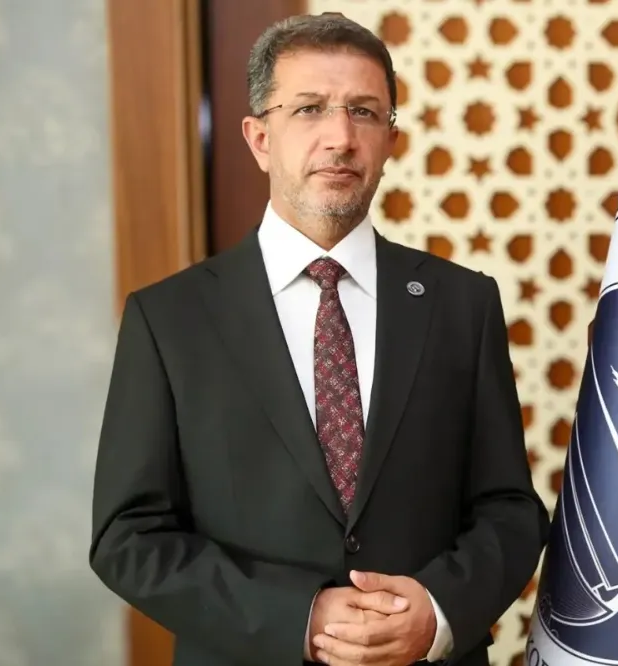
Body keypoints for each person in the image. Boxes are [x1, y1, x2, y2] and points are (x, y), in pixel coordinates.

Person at [89, 12, 550, 666]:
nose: (340, 137)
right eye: (309, 109)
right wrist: (299, 619)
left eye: (363, 112)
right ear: (259, 138)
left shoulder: (462, 304)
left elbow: (509, 509)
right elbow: (128, 538)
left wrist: (438, 612)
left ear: (390, 141)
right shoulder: (169, 318)